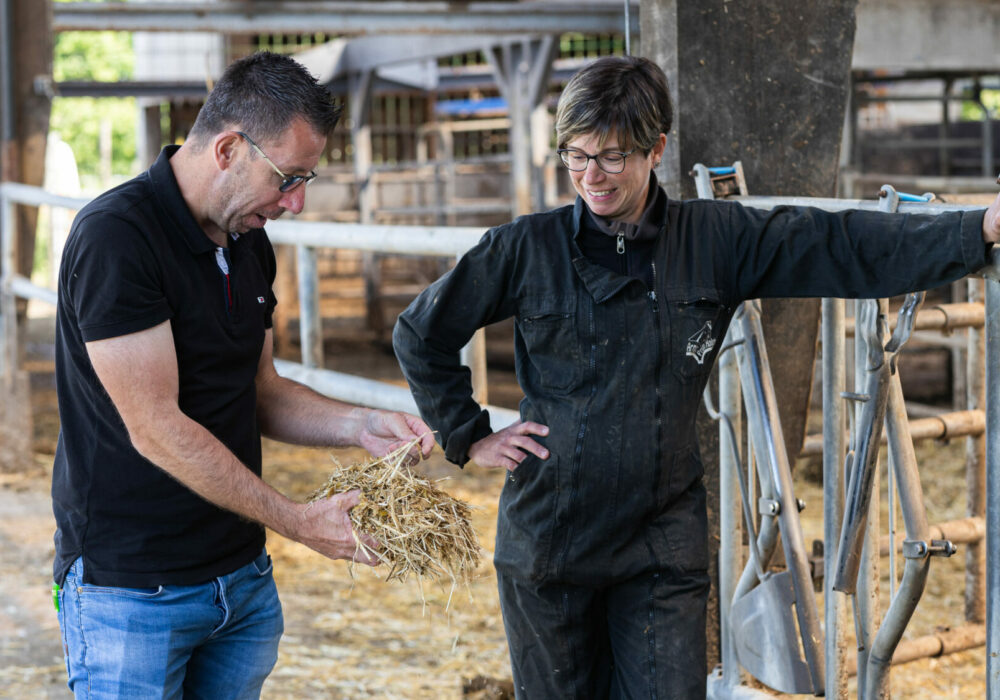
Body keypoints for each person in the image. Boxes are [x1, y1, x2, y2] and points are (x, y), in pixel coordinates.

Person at [392, 55, 1000, 699]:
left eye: (612, 157)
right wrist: (469, 434)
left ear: (656, 148)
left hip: (660, 546)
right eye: (576, 155)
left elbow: (838, 245)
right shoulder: (526, 248)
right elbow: (420, 332)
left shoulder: (714, 240)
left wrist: (976, 228)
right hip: (549, 543)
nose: (590, 177)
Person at [51, 51, 435, 699]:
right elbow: (156, 427)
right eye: (288, 177)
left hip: (239, 579)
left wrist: (360, 424)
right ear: (228, 148)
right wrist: (296, 519)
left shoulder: (247, 238)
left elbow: (262, 391)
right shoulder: (118, 238)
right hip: (136, 588)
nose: (298, 202)